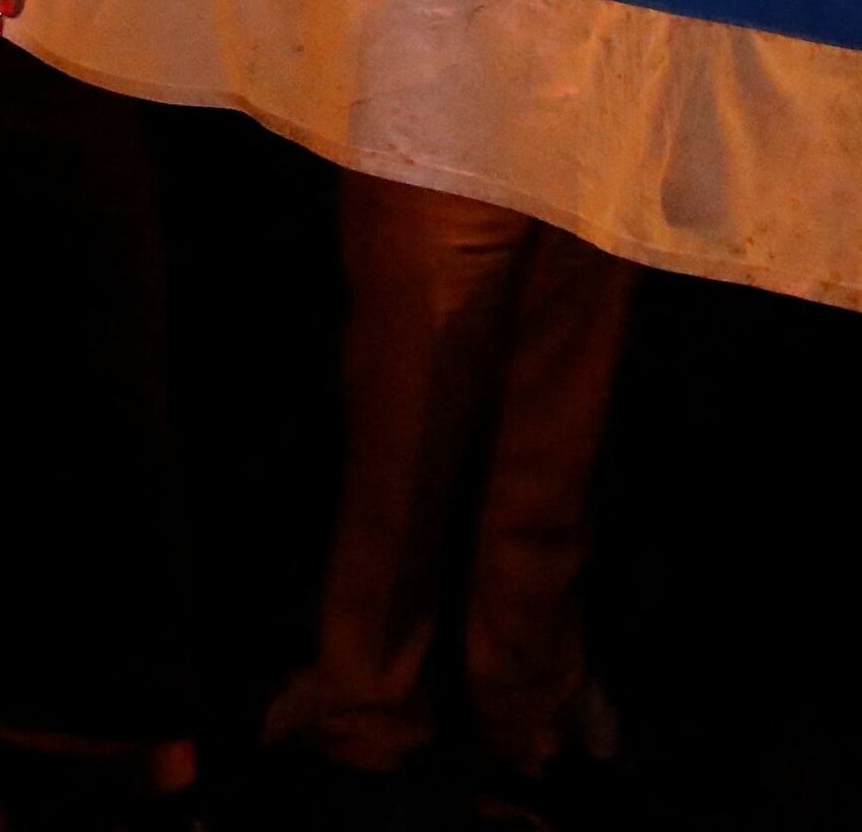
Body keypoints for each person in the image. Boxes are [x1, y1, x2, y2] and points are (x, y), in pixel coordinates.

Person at [262, 177, 640, 801]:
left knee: (562, 436)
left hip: (606, 124)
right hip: (447, 121)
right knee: (401, 434)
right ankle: (363, 705)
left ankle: (532, 700)